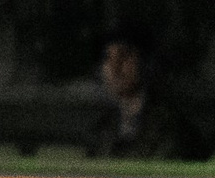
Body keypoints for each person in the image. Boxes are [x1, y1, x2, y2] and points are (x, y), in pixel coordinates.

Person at [84, 29, 206, 161]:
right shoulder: (102, 129)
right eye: (107, 57)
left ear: (145, 62)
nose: (115, 66)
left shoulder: (170, 127)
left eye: (124, 55)